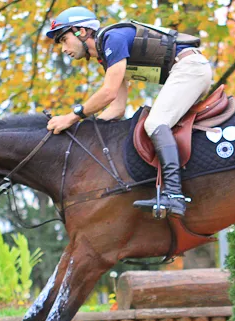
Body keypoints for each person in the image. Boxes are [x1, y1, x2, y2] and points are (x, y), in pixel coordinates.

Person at [45, 6, 212, 218]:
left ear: (81, 31)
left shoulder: (113, 39)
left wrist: (71, 117)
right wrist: (84, 130)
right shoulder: (108, 54)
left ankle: (174, 195)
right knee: (157, 124)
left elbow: (108, 92)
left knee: (154, 123)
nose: (63, 48)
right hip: (188, 71)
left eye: (63, 39)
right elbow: (117, 107)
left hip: (190, 69)